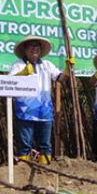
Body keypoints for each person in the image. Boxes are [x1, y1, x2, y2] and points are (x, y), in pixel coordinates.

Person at [9, 35, 74, 164]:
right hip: (25, 111)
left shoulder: (47, 65)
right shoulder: (18, 64)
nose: (35, 48)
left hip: (44, 111)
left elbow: (61, 78)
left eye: (37, 46)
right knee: (24, 145)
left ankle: (45, 169)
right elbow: (9, 83)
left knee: (45, 144)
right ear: (25, 49)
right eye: (31, 45)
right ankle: (23, 168)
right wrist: (22, 74)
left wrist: (68, 69)